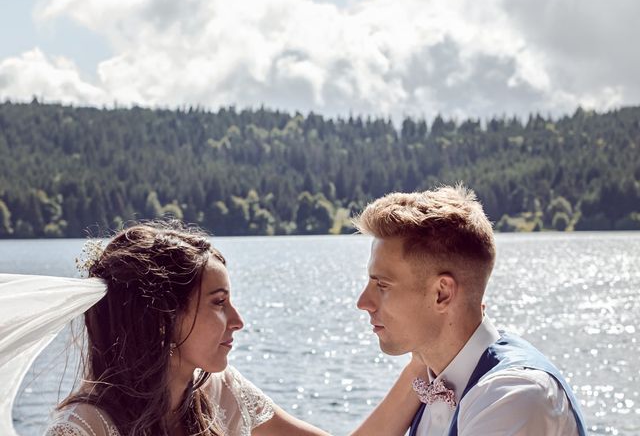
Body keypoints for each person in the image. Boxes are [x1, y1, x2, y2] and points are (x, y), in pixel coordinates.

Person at [39, 221, 424, 436]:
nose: (238, 321)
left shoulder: (217, 390)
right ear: (163, 318)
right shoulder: (83, 430)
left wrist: (422, 361)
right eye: (219, 303)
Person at [352, 185, 588, 436]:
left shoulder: (514, 396)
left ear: (442, 293)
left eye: (382, 285)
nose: (363, 302)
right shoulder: (435, 370)